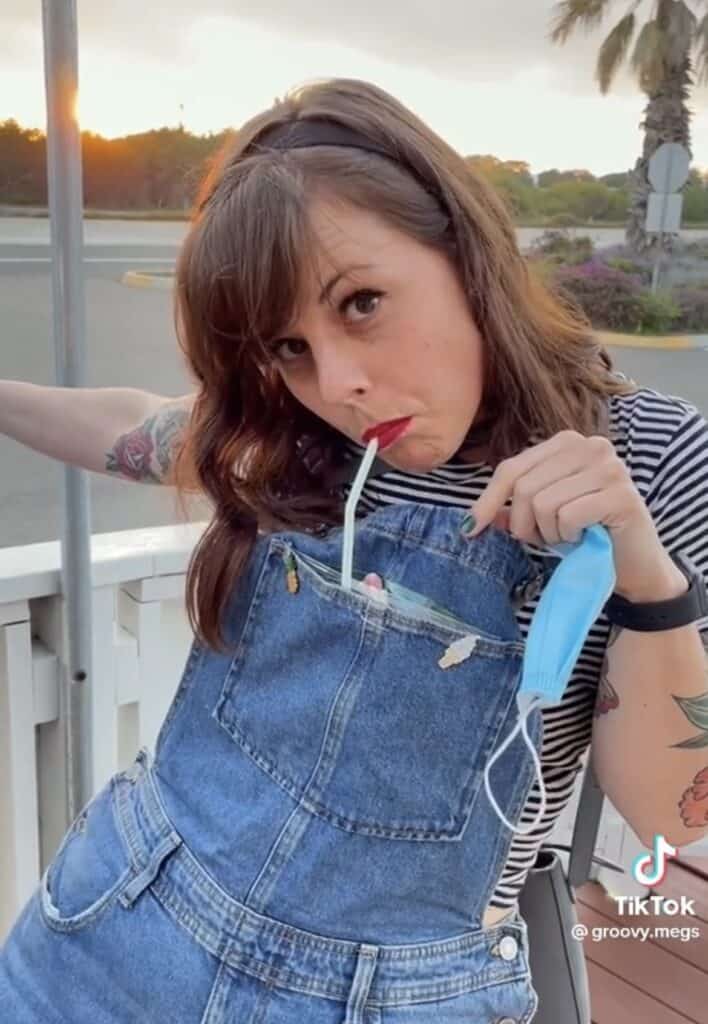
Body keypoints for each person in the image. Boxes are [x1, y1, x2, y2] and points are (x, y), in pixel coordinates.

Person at [1, 77, 707, 1024]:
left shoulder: (649, 457)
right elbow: (134, 428)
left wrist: (644, 573)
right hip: (112, 938)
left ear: (464, 254)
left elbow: (676, 814)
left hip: (396, 998)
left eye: (362, 302)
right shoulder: (293, 438)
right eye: (289, 346)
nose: (339, 382)